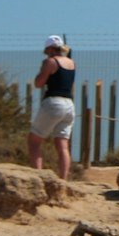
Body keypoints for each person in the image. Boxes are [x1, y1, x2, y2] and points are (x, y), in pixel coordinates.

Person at [29, 35, 76, 181]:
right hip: (69, 105)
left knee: (34, 141)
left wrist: (43, 68)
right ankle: (63, 179)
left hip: (54, 103)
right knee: (62, 145)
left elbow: (38, 83)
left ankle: (37, 176)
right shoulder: (72, 62)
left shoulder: (50, 62)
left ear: (49, 49)